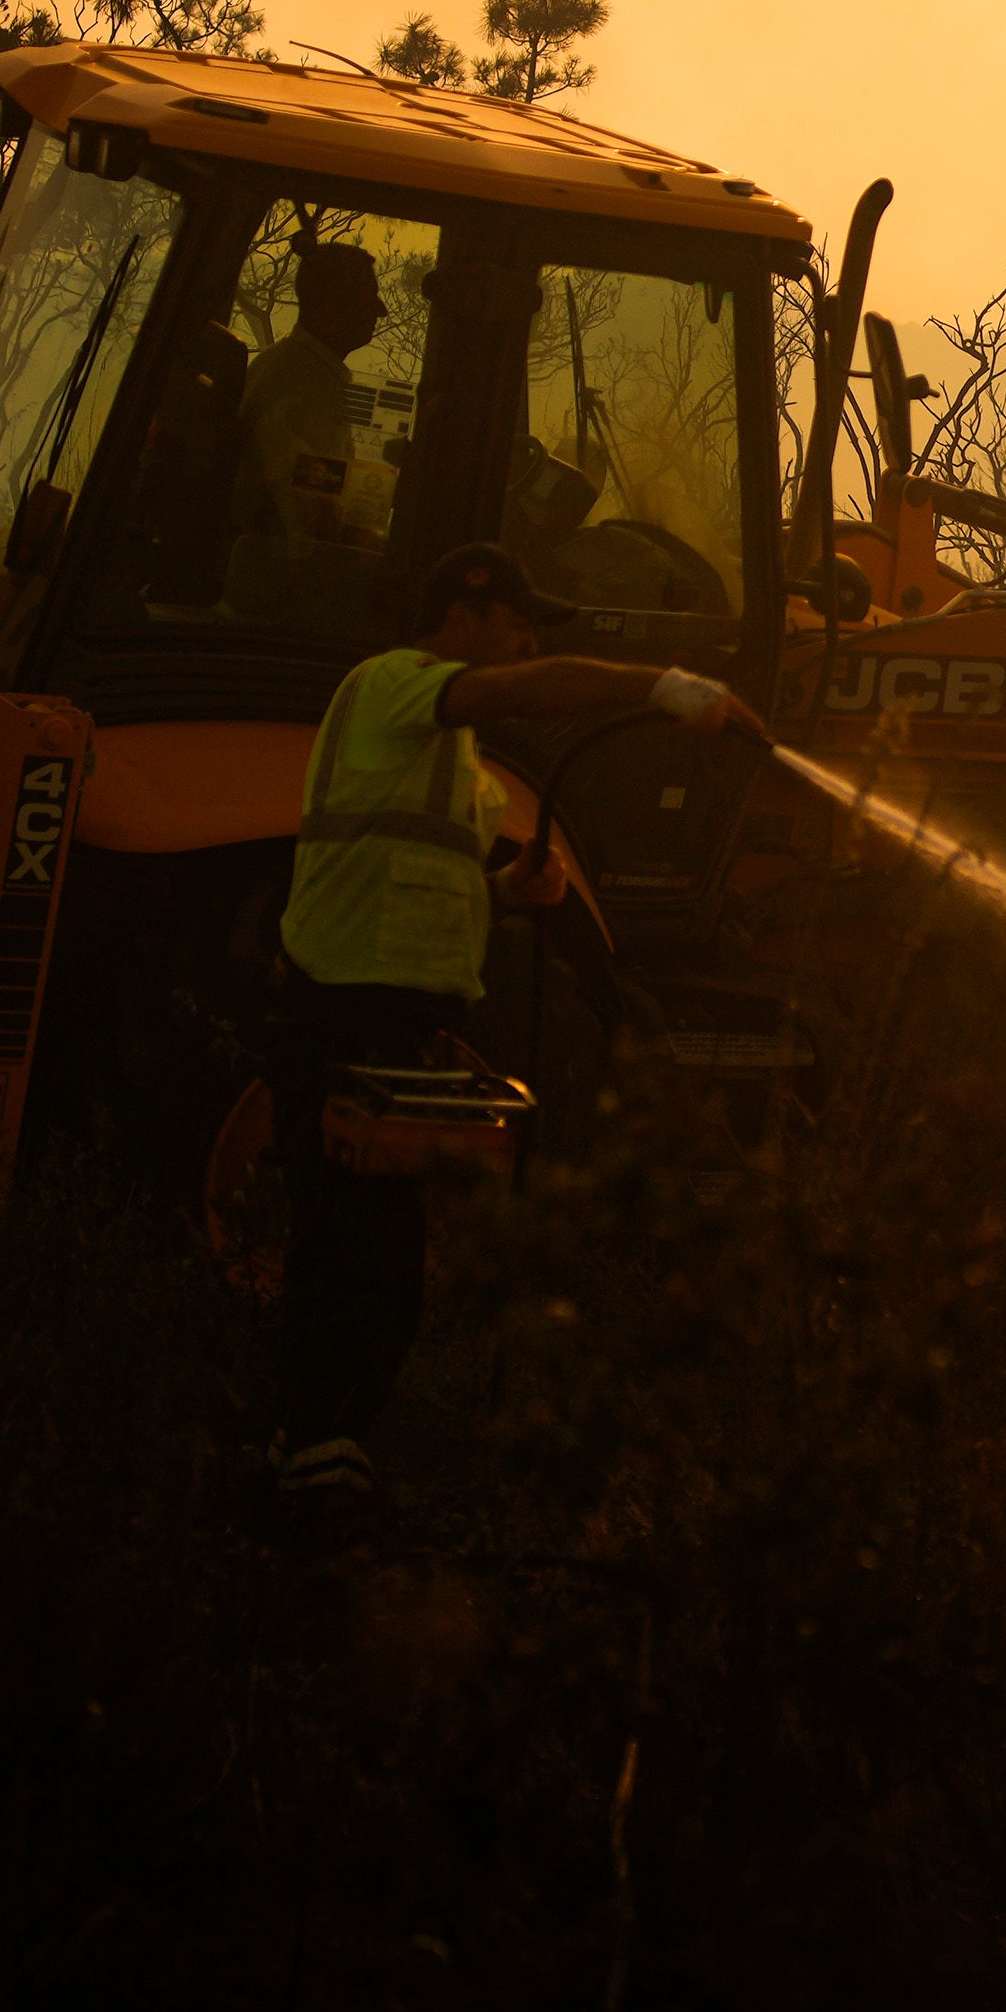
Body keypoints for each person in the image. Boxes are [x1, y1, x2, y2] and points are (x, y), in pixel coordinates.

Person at [263, 536, 768, 1508]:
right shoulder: (394, 685)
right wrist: (661, 685)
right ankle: (308, 1459)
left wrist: (506, 889)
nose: (528, 645)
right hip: (342, 1011)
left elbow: (419, 880)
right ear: (461, 617)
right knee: (349, 1252)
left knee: (385, 1258)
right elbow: (519, 694)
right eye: (517, 624)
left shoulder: (453, 764)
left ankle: (330, 1449)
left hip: (396, 1020)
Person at [225, 243, 389, 617]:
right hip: (277, 600)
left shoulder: (290, 369)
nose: (380, 310)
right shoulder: (304, 392)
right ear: (332, 306)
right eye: (369, 296)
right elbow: (313, 526)